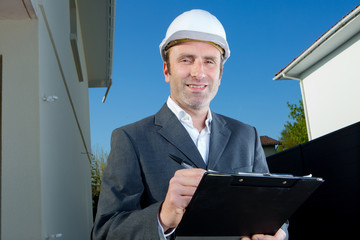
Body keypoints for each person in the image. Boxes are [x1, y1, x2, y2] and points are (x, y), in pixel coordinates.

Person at [92, 9, 288, 240]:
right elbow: (105, 232)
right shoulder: (131, 139)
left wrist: (278, 234)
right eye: (186, 60)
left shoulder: (247, 135)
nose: (198, 72)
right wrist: (163, 217)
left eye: (209, 61)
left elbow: (272, 210)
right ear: (167, 70)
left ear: (220, 74)